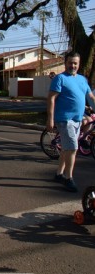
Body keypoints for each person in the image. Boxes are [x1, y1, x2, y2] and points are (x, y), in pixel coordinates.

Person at [46, 51, 95, 192]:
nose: (72, 65)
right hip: (64, 120)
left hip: (77, 120)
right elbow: (51, 98)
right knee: (73, 148)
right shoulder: (60, 79)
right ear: (65, 63)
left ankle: (59, 174)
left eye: (75, 63)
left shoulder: (82, 79)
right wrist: (50, 119)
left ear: (79, 64)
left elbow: (90, 97)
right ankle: (69, 178)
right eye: (70, 62)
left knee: (66, 149)